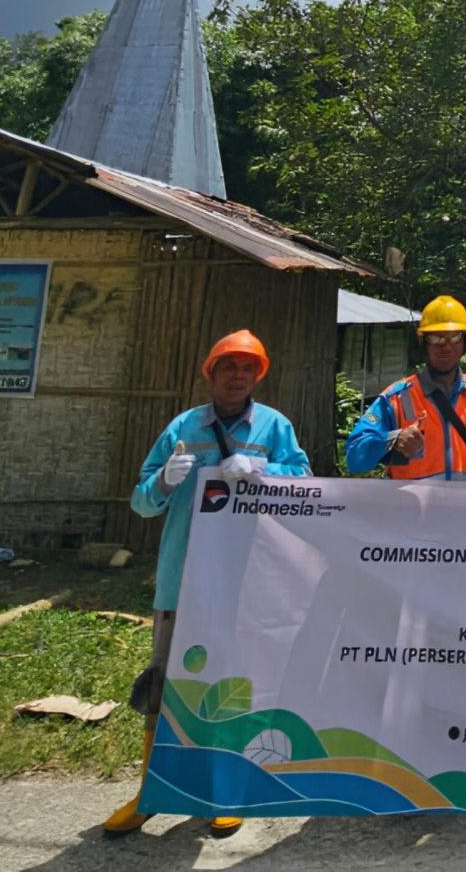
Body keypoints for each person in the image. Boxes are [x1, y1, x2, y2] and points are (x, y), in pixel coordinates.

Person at [104, 329, 311, 840]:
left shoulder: (273, 426)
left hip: (248, 580)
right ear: (211, 374)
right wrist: (166, 480)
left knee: (234, 685)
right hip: (183, 579)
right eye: (227, 368)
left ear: (257, 376)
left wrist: (264, 467)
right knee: (165, 686)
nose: (237, 376)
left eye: (247, 369)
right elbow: (142, 503)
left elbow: (305, 480)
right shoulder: (183, 427)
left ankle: (226, 792)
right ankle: (151, 792)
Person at [345, 294, 466, 480]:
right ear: (424, 344)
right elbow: (354, 459)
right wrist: (393, 440)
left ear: (464, 343)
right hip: (412, 508)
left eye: (454, 337)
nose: (445, 346)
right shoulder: (396, 398)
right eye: (436, 338)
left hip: (464, 508)